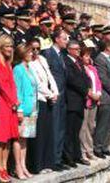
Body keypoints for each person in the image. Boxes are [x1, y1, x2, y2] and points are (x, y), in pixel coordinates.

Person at [27, 38, 58, 174]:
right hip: (39, 98)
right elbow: (37, 83)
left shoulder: (42, 60)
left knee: (47, 132)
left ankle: (47, 162)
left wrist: (55, 92)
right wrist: (50, 94)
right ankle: (37, 165)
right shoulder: (29, 63)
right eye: (32, 49)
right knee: (38, 133)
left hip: (48, 98)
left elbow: (49, 76)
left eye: (37, 48)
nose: (35, 52)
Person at [0, 35, 19, 183]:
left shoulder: (9, 63)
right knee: (0, 138)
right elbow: (1, 85)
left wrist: (15, 100)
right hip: (3, 103)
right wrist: (11, 100)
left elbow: (12, 84)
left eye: (11, 46)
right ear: (1, 46)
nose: (9, 49)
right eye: (7, 46)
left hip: (12, 104)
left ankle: (5, 168)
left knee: (8, 138)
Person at [41, 28, 68, 171]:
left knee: (60, 128)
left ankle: (58, 158)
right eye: (64, 38)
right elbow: (46, 76)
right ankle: (52, 160)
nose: (66, 41)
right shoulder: (48, 53)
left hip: (63, 96)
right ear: (56, 39)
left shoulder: (62, 54)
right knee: (54, 128)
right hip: (54, 96)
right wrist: (51, 93)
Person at [63, 40, 90, 167]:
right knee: (70, 130)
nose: (79, 51)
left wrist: (88, 87)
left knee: (77, 130)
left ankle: (77, 155)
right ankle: (69, 157)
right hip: (72, 100)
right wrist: (86, 90)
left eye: (79, 49)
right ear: (69, 50)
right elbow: (72, 80)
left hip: (80, 100)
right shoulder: (66, 61)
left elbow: (86, 77)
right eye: (76, 49)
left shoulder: (78, 62)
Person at [13, 44, 38, 179]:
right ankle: (17, 166)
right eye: (29, 52)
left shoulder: (29, 68)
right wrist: (20, 109)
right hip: (23, 109)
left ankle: (23, 165)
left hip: (33, 108)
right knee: (19, 137)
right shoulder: (18, 69)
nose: (32, 53)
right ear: (22, 53)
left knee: (25, 139)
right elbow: (17, 90)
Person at [93, 40, 110, 159]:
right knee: (102, 123)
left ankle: (105, 146)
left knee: (109, 124)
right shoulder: (100, 59)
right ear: (107, 47)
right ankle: (97, 147)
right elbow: (103, 78)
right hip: (106, 96)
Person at [79, 47, 102, 163]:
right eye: (86, 55)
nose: (88, 58)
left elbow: (98, 82)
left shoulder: (92, 68)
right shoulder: (80, 68)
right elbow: (83, 84)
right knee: (83, 127)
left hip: (94, 101)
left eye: (89, 56)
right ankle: (83, 152)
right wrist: (91, 94)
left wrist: (98, 94)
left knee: (91, 126)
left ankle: (90, 150)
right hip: (86, 101)